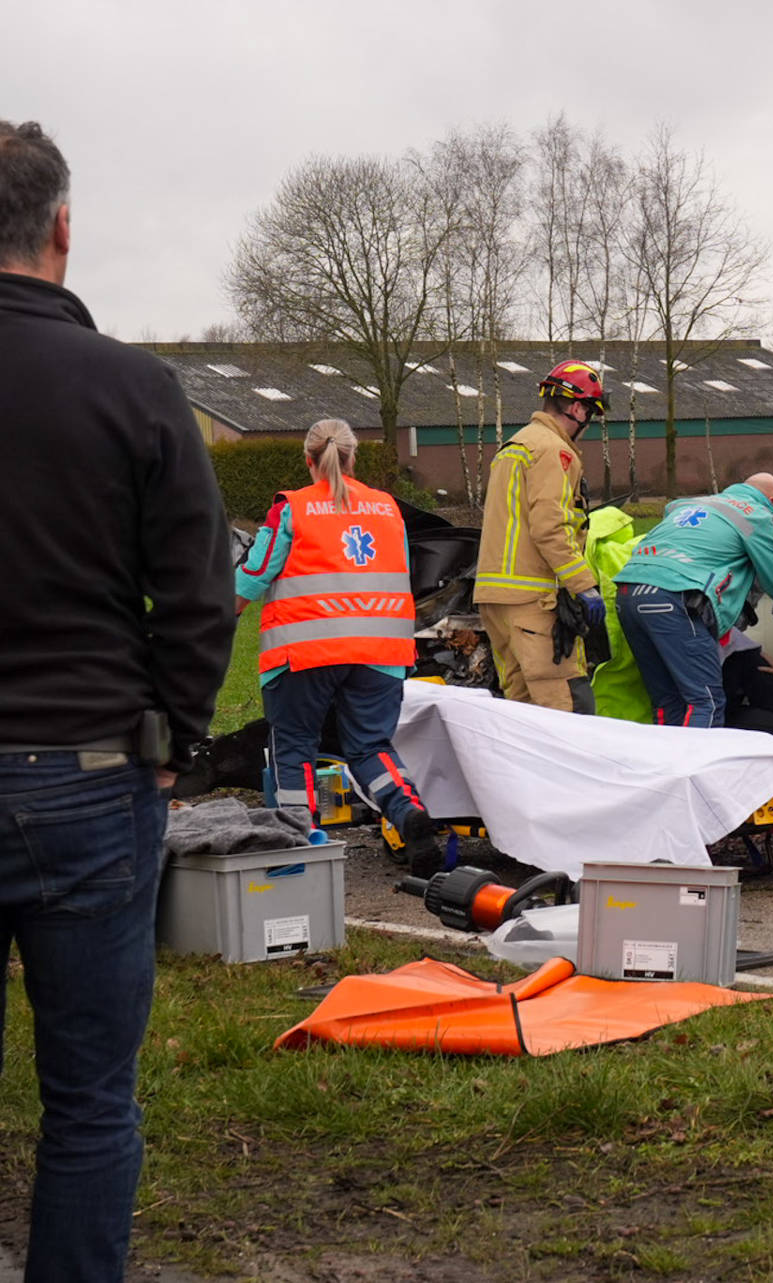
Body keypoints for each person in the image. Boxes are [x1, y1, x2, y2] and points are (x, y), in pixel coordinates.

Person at [0, 119, 233, 1282]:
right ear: (62, 230)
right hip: (89, 774)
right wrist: (176, 736)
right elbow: (199, 592)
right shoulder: (137, 389)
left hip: (81, 768)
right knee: (90, 1099)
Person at [234, 420, 442, 877]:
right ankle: (408, 812)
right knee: (370, 746)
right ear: (354, 459)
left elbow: (256, 571)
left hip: (305, 650)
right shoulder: (388, 508)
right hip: (381, 651)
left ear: (310, 461)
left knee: (295, 748)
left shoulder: (293, 507)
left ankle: (298, 844)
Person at [612, 474, 773, 728]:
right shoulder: (757, 515)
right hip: (675, 595)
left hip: (627, 593)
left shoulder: (689, 504)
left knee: (667, 702)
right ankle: (698, 769)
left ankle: (666, 764)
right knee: (705, 701)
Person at [475, 361, 606, 713]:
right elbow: (550, 526)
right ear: (577, 408)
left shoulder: (515, 446)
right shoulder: (554, 450)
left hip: (495, 598)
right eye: (591, 413)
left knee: (522, 712)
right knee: (564, 707)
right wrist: (584, 586)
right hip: (533, 600)